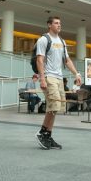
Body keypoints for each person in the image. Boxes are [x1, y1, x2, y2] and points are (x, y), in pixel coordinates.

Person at [35, 16, 81, 150]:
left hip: (59, 78)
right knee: (53, 105)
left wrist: (76, 73)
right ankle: (42, 132)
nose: (59, 25)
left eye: (60, 23)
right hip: (49, 77)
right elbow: (39, 60)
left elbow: (67, 60)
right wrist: (42, 78)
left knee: (56, 108)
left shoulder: (62, 41)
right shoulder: (44, 39)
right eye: (56, 23)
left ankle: (47, 135)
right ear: (49, 25)